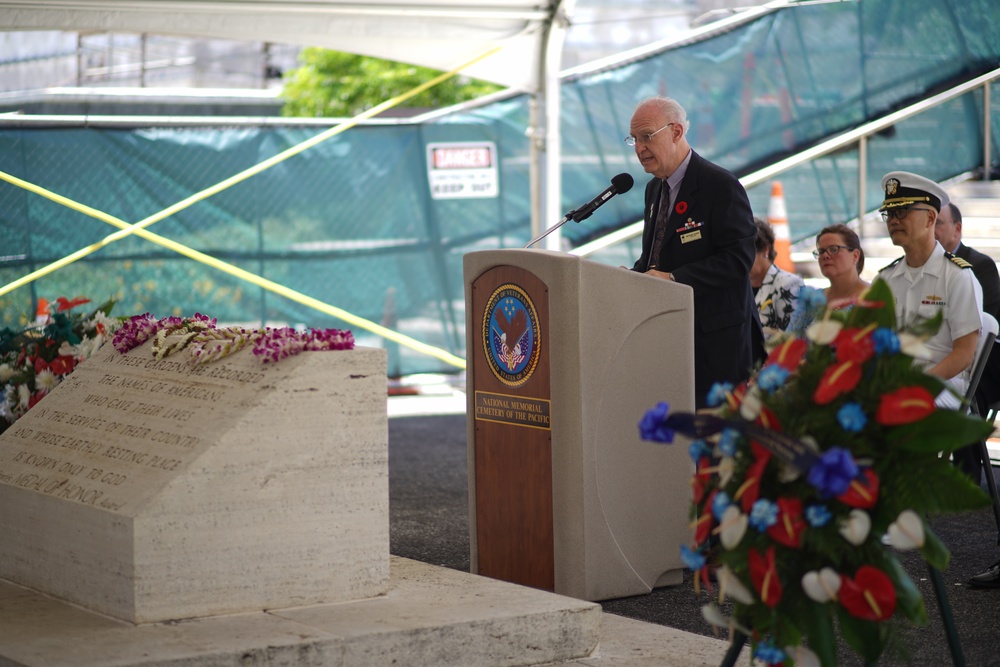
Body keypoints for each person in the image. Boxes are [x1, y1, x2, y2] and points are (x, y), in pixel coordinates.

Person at [627, 96, 759, 407]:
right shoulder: (654, 188)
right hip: (667, 339)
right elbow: (656, 258)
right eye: (634, 139)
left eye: (647, 136)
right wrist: (631, 277)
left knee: (712, 449)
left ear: (675, 131)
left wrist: (673, 278)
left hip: (714, 347)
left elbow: (738, 259)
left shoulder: (720, 185)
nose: (639, 148)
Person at [877, 171, 982, 410]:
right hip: (893, 384)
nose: (893, 220)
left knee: (901, 409)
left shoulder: (958, 276)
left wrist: (919, 383)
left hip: (942, 386)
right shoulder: (884, 279)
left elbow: (964, 354)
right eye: (890, 213)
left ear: (930, 218)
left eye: (902, 212)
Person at [934, 201, 1000, 487]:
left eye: (938, 222)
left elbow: (989, 322)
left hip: (987, 357)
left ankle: (966, 477)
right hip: (942, 355)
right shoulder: (913, 269)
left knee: (972, 392)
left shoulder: (979, 266)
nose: (931, 229)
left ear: (957, 229)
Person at [751, 217, 803, 340]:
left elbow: (793, 338)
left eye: (748, 254)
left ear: (765, 250)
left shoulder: (789, 284)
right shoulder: (740, 286)